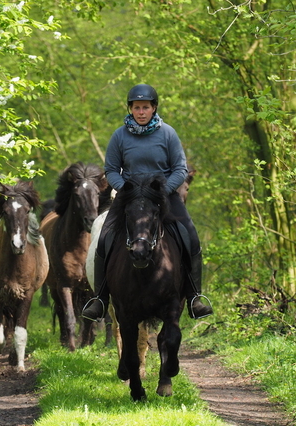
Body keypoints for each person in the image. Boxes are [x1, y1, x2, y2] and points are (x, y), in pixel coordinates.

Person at [82, 83, 213, 321]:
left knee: (190, 236)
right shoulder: (119, 135)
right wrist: (126, 190)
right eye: (136, 107)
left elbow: (180, 169)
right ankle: (100, 298)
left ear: (154, 108)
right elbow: (111, 169)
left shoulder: (168, 134)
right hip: (130, 198)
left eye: (145, 107)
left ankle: (195, 296)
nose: (141, 112)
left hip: (164, 197)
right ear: (130, 109)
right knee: (105, 237)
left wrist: (164, 191)